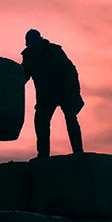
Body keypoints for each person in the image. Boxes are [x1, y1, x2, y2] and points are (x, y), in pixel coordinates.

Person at [21, 28, 84, 158]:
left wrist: (73, 92)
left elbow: (71, 70)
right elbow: (23, 77)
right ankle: (45, 155)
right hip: (48, 96)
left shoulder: (53, 51)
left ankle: (77, 152)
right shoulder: (31, 56)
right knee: (42, 123)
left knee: (68, 119)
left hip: (62, 92)